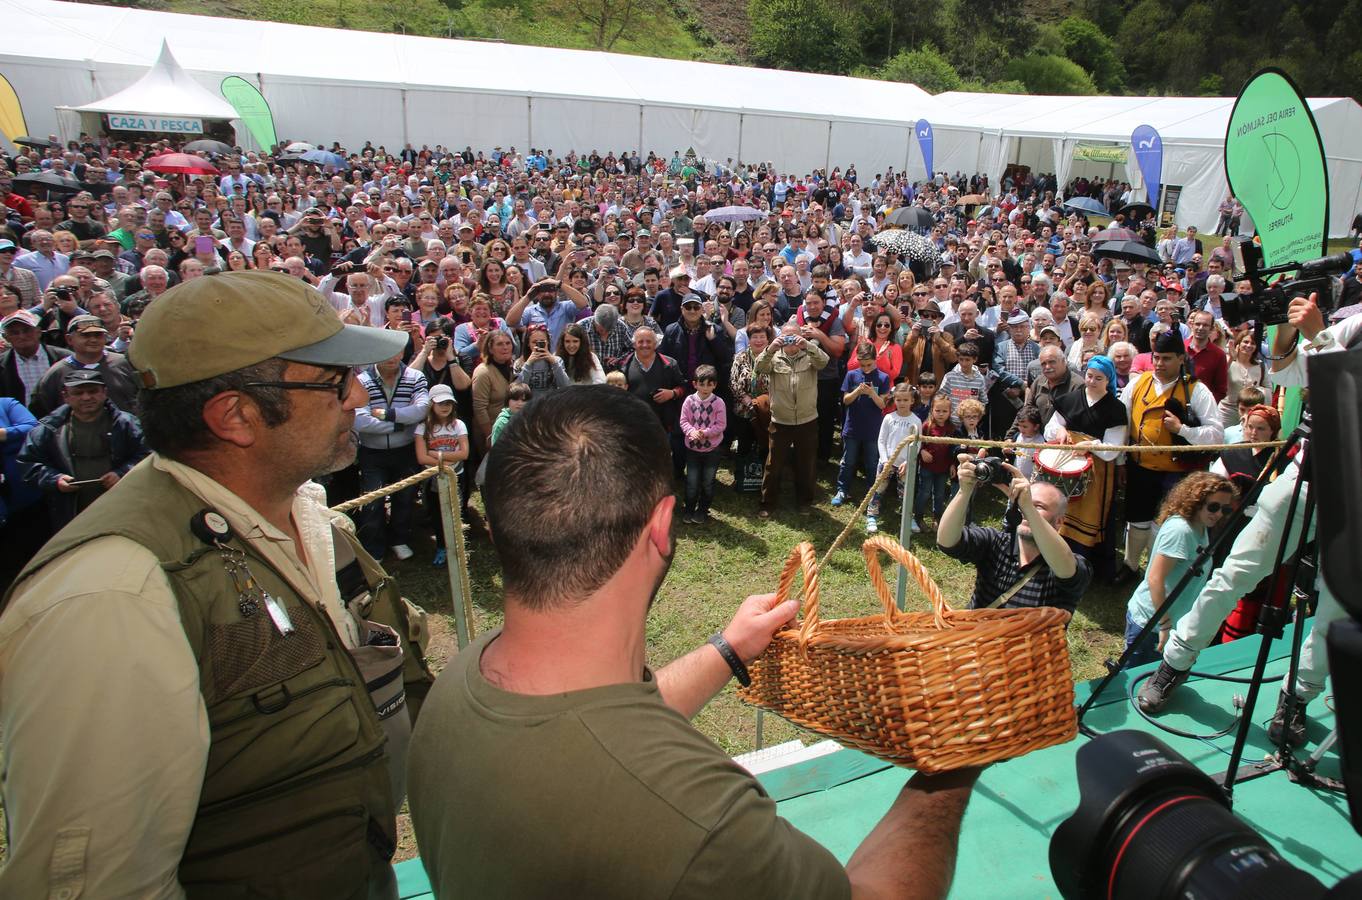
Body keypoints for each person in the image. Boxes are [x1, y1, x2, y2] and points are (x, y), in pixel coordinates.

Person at [407, 385, 981, 899]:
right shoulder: (700, 819)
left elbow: (601, 727)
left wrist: (728, 647)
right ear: (662, 525)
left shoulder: (458, 682)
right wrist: (949, 771)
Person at [0, 271, 432, 898]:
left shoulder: (305, 517)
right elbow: (100, 882)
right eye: (336, 382)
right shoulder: (112, 600)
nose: (359, 400)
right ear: (235, 415)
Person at [1140, 299, 1360, 743]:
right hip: (1308, 474)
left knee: (1335, 608)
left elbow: (1346, 391)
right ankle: (1176, 662)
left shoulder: (1338, 333)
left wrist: (1320, 336)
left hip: (1354, 497)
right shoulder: (1356, 325)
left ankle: (1297, 697)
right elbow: (1289, 373)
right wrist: (1285, 327)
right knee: (1235, 570)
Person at [1115, 330, 1223, 583]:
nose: (1160, 364)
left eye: (1166, 358)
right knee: (1136, 518)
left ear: (1181, 359)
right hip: (1140, 465)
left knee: (1166, 523)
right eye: (1156, 357)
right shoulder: (1138, 383)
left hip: (1177, 471)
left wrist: (1182, 430)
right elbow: (1123, 424)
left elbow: (1216, 434)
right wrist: (1121, 462)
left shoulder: (1197, 390)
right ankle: (1131, 566)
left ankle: (1156, 572)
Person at [937, 452, 1091, 615]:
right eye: (1023, 503)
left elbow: (1065, 568)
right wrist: (964, 491)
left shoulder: (1067, 561)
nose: (1025, 510)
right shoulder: (996, 542)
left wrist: (1028, 508)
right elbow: (946, 542)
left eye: (1038, 506)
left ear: (1059, 521)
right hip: (978, 637)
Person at [1123, 472, 1236, 669]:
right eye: (1214, 506)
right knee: (1136, 677)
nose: (1218, 514)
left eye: (1225, 509)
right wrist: (1164, 624)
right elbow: (1155, 579)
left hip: (1169, 623)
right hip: (1151, 624)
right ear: (1197, 501)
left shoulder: (1200, 527)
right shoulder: (1181, 531)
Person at [18, 367, 149, 531]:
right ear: (66, 396)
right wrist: (55, 479)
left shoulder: (127, 424)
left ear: (104, 392)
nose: (87, 397)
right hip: (70, 513)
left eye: (93, 391)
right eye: (78, 393)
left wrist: (122, 473)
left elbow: (148, 455)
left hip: (121, 508)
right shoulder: (49, 428)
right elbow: (28, 463)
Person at [1044, 356, 1129, 575]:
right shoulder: (1070, 398)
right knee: (1060, 507)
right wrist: (1060, 431)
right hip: (1066, 464)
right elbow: (1052, 427)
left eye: (1098, 378)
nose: (1091, 381)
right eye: (1089, 376)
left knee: (1088, 514)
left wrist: (1092, 446)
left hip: (1096, 470)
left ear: (1108, 379)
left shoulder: (1115, 408)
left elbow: (1114, 447)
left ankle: (1082, 563)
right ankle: (1051, 554)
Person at [353, 351, 432, 561]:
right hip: (372, 451)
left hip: (405, 449)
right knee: (373, 501)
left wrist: (385, 415)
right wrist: (400, 424)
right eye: (387, 352)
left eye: (397, 353)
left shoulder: (415, 377)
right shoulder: (361, 381)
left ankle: (399, 539)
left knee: (405, 497)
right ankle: (373, 547)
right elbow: (360, 421)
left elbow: (422, 410)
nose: (392, 358)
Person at [755, 323, 828, 516]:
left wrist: (808, 345)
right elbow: (759, 367)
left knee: (806, 463)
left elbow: (824, 362)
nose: (791, 341)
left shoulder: (810, 355)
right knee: (774, 464)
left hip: (807, 419)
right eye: (787, 336)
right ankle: (767, 503)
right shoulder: (774, 357)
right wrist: (770, 349)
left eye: (794, 336)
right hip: (781, 420)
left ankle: (805, 502)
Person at [29, 312, 141, 418]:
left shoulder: (125, 364)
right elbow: (41, 412)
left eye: (98, 335)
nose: (93, 340)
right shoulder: (57, 373)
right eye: (86, 335)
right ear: (69, 339)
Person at [414, 383, 469, 567]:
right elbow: (421, 457)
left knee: (457, 512)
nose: (445, 406)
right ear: (432, 405)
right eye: (440, 403)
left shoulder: (458, 425)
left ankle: (459, 547)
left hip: (456, 476)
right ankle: (441, 546)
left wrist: (436, 455)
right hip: (433, 478)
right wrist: (444, 462)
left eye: (448, 402)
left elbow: (464, 453)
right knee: (437, 513)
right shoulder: (423, 428)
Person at [831, 343, 890, 507]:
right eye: (862, 365)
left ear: (875, 359)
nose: (865, 368)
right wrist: (857, 391)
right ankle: (842, 489)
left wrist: (872, 393)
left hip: (873, 430)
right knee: (848, 461)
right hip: (852, 427)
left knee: (872, 463)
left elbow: (883, 405)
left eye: (869, 365)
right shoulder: (851, 375)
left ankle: (872, 492)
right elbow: (845, 400)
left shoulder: (883, 378)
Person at [867, 381, 922, 535]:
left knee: (905, 493)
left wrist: (907, 461)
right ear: (894, 399)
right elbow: (881, 441)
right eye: (899, 400)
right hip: (886, 463)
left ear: (912, 400)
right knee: (878, 489)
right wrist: (885, 461)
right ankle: (871, 515)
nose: (902, 403)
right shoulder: (888, 418)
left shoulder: (916, 421)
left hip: (906, 465)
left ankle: (907, 518)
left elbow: (917, 445)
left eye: (906, 400)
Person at [678, 364, 726, 524]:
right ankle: (689, 508)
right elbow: (684, 421)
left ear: (715, 384)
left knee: (708, 482)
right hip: (692, 449)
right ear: (695, 384)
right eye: (702, 384)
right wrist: (691, 432)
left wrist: (704, 433)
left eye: (710, 384)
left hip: (712, 450)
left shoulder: (719, 403)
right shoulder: (689, 401)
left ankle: (703, 510)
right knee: (692, 482)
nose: (705, 388)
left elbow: (721, 425)